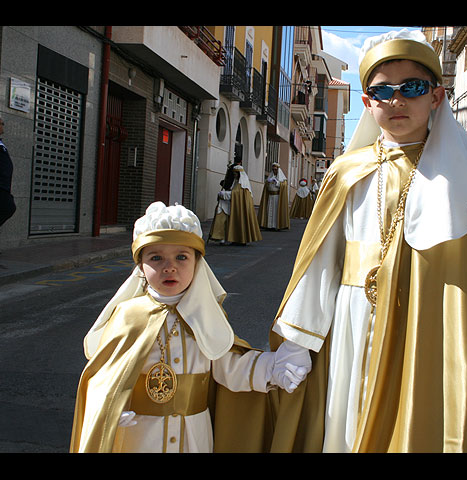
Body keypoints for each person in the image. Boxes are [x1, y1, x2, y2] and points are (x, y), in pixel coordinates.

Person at [267, 29, 467, 453]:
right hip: (355, 318)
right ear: (367, 102)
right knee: (349, 420)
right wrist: (298, 340)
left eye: (412, 88)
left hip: (428, 325)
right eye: (382, 90)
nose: (396, 100)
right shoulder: (347, 172)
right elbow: (321, 261)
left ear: (436, 97)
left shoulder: (465, 182)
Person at [70, 202, 310, 452]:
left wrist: (272, 367)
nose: (169, 266)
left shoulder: (205, 315)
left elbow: (227, 367)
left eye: (181, 257)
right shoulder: (127, 315)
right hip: (140, 435)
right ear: (140, 266)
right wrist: (110, 408)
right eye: (156, 258)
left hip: (194, 435)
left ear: (198, 263)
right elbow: (105, 377)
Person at [208, 165, 262, 246]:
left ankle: (240, 239)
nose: (235, 175)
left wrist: (224, 194)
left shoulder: (242, 184)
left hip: (240, 207)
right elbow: (234, 192)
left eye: (236, 174)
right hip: (235, 204)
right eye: (234, 174)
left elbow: (236, 194)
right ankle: (227, 237)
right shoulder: (236, 182)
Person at [258, 162, 289, 230]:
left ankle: (275, 225)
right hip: (270, 196)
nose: (274, 171)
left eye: (275, 170)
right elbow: (267, 186)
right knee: (269, 209)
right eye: (273, 170)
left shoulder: (282, 179)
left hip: (277, 196)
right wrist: (268, 182)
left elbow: (284, 185)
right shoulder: (271, 176)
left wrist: (277, 182)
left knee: (275, 211)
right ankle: (269, 225)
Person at [0, 116, 16, 228]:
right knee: (8, 207)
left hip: (4, 187)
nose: (2, 126)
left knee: (8, 207)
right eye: (1, 124)